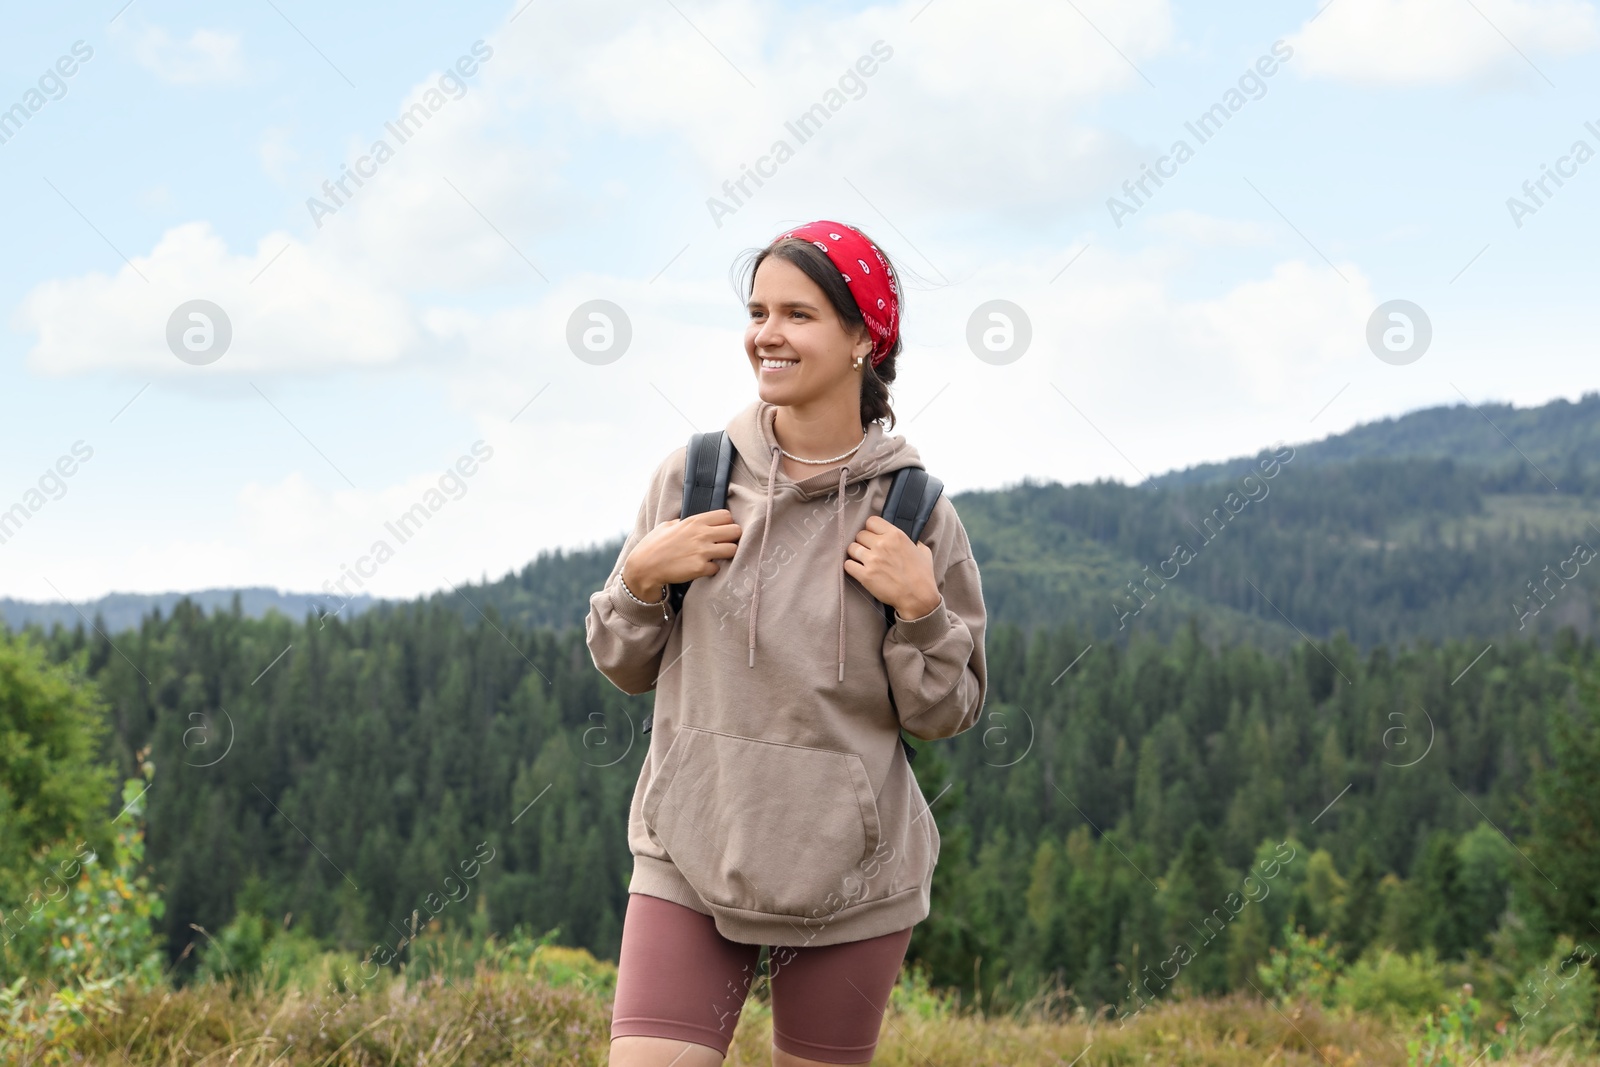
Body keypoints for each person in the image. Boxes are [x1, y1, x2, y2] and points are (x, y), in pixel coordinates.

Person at [587, 219, 989, 1066]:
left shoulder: (915, 514)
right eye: (758, 310)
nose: (766, 334)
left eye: (798, 314)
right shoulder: (691, 478)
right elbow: (623, 665)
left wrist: (921, 609)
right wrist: (640, 577)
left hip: (854, 879)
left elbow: (944, 713)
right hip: (688, 852)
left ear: (862, 341)